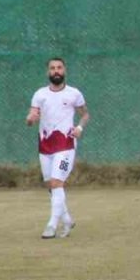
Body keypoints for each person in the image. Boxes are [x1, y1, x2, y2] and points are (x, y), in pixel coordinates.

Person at [26, 58, 89, 238]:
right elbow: (32, 115)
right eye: (52, 68)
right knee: (50, 186)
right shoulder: (40, 94)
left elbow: (85, 115)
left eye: (59, 68)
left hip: (65, 144)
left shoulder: (74, 93)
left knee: (56, 183)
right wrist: (30, 118)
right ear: (48, 72)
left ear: (64, 70)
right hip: (45, 145)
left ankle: (51, 225)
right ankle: (67, 220)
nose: (56, 71)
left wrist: (79, 128)